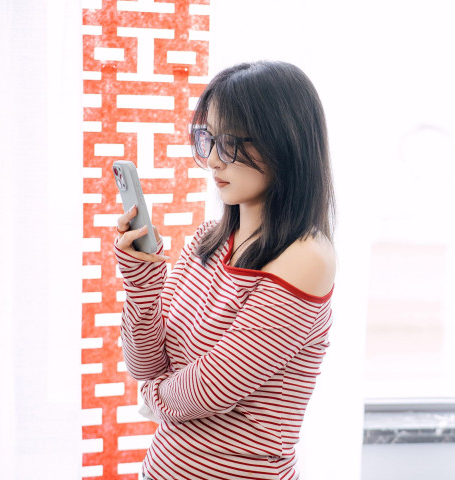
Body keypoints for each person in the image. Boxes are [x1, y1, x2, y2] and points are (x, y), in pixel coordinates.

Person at [113, 61, 336, 480]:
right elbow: (145, 364)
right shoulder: (207, 240)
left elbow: (210, 389)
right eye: (208, 139)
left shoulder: (308, 257)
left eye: (231, 142)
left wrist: (152, 396)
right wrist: (141, 283)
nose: (213, 159)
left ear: (284, 142)